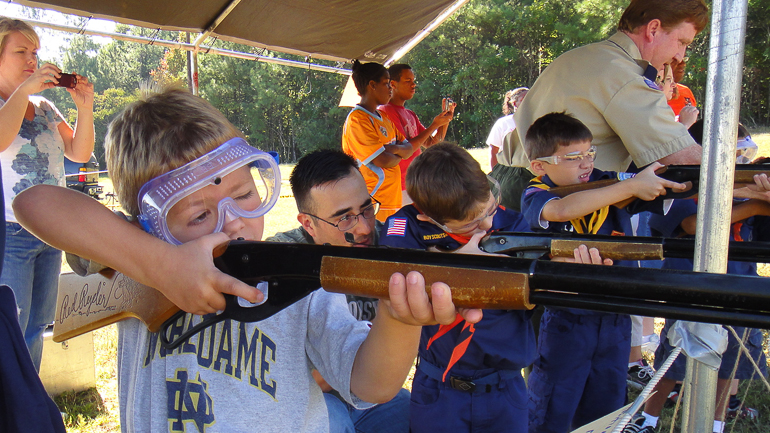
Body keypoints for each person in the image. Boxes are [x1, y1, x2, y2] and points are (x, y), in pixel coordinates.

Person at [13, 86, 480, 432]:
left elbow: (371, 385)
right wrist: (159, 266)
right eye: (199, 215)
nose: (234, 222)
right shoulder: (138, 263)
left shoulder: (295, 275)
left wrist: (399, 319)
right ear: (152, 224)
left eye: (244, 195)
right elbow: (33, 203)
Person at [521, 112, 685, 432]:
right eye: (572, 157)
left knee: (606, 408)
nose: (585, 164)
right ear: (539, 165)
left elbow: (669, 190)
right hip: (566, 320)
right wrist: (630, 185)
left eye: (589, 153)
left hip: (615, 315)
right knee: (552, 408)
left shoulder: (609, 179)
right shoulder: (535, 191)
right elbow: (561, 209)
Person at [497, 0, 709, 210]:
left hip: (506, 183)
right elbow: (681, 157)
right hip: (547, 197)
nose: (680, 56)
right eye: (682, 42)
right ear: (653, 29)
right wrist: (737, 174)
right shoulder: (626, 77)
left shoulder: (582, 56)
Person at [627, 124, 768, 433]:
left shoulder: (748, 186)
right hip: (690, 286)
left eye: (746, 154)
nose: (742, 162)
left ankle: (716, 423)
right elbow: (690, 225)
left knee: (731, 360)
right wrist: (754, 202)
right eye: (735, 154)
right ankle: (647, 420)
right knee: (674, 359)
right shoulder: (682, 186)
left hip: (740, 282)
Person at [267, 149, 410, 433]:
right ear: (308, 224)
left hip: (372, 393)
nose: (364, 228)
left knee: (416, 414)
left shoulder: (393, 244)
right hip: (312, 399)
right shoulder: (279, 263)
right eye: (344, 218)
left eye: (367, 209)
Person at [0, 17, 94, 371]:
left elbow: (79, 153)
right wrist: (23, 91)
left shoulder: (44, 107)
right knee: (10, 329)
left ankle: (29, 406)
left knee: (37, 326)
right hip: (10, 232)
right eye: (20, 51)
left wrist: (85, 107)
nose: (31, 60)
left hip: (52, 231)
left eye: (35, 52)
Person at [342, 60, 414, 222]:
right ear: (372, 85)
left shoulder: (385, 118)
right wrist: (396, 153)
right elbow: (382, 159)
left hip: (392, 201)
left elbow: (409, 149)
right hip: (373, 203)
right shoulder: (358, 120)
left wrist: (391, 149)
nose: (390, 89)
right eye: (386, 84)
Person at [379, 63, 455, 206]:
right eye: (408, 81)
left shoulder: (410, 114)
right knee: (400, 227)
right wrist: (434, 124)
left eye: (414, 81)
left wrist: (445, 120)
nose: (413, 85)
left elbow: (433, 143)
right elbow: (406, 149)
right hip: (399, 187)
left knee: (419, 225)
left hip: (415, 183)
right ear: (393, 84)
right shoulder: (386, 111)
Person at [487, 87, 527, 169]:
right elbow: (493, 151)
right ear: (514, 103)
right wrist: (496, 174)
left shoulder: (538, 121)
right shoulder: (503, 123)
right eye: (523, 99)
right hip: (509, 171)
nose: (528, 102)